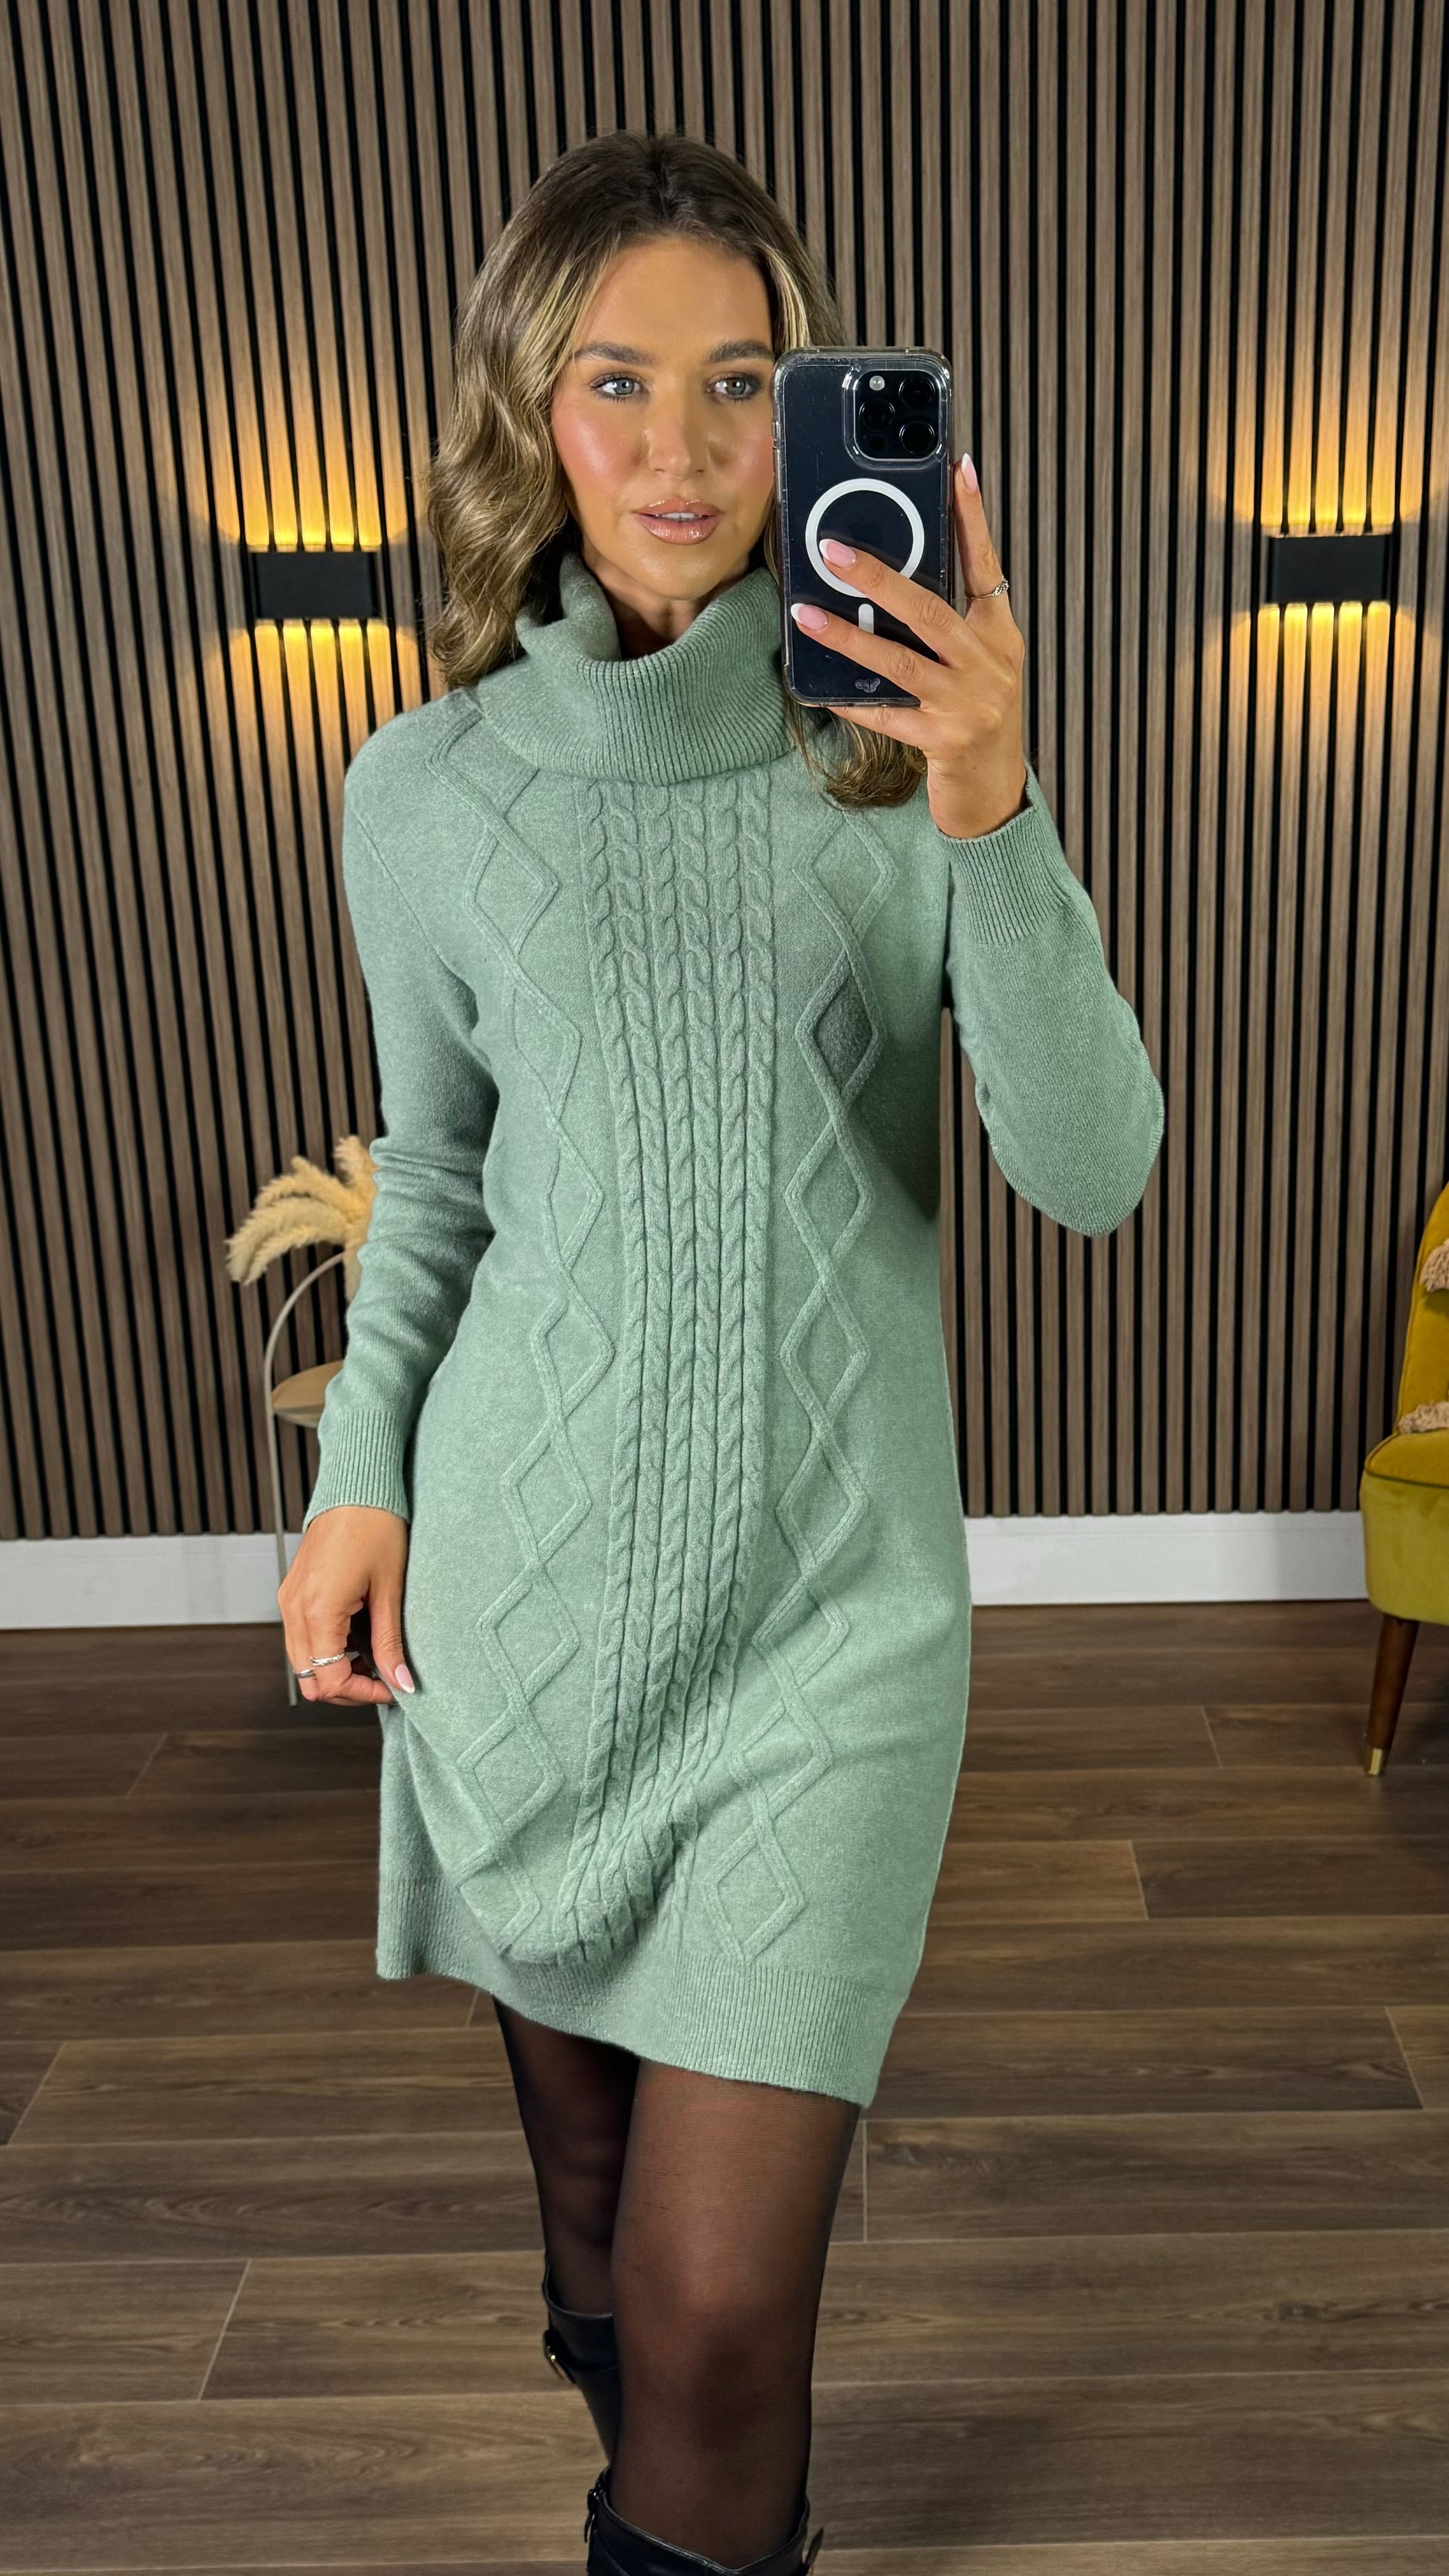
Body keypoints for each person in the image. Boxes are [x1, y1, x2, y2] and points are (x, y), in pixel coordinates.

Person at [278, 129, 1163, 2576]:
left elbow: (1094, 1166)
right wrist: (362, 1478)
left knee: (713, 2315)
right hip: (528, 1605)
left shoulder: (905, 752)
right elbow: (437, 1185)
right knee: (591, 2225)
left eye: (742, 380)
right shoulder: (421, 794)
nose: (680, 447)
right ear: (532, 414)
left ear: (811, 407)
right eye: (616, 382)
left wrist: (994, 805)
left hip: (829, 1630)